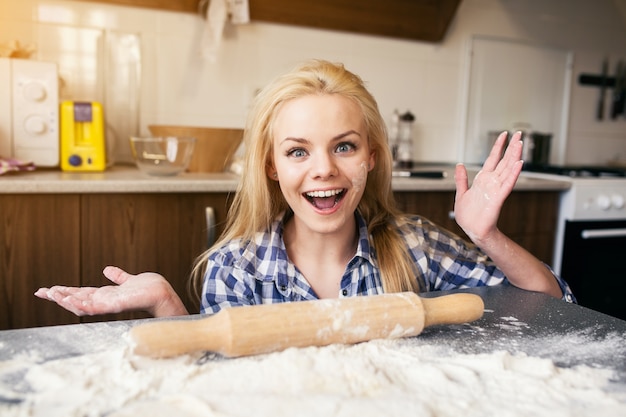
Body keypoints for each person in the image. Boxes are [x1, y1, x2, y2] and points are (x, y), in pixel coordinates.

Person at [35, 59, 575, 318]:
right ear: (271, 166)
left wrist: (488, 236)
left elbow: (551, 309)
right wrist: (164, 301)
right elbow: (215, 385)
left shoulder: (416, 248)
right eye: (298, 151)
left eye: (343, 146)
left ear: (371, 158)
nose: (323, 170)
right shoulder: (238, 269)